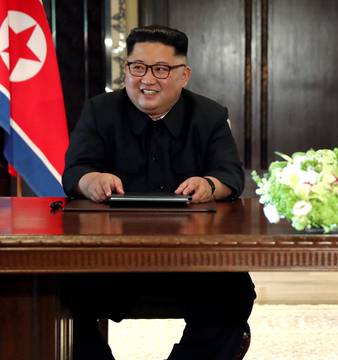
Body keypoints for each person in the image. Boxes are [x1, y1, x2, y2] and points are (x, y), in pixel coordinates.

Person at [62, 25, 255, 360]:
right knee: (55, 291)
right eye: (137, 67)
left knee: (234, 295)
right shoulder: (99, 110)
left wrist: (209, 185)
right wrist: (91, 180)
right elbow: (75, 170)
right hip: (108, 256)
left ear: (184, 75)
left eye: (161, 69)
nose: (147, 79)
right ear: (127, 70)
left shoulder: (210, 115)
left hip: (191, 258)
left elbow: (230, 175)